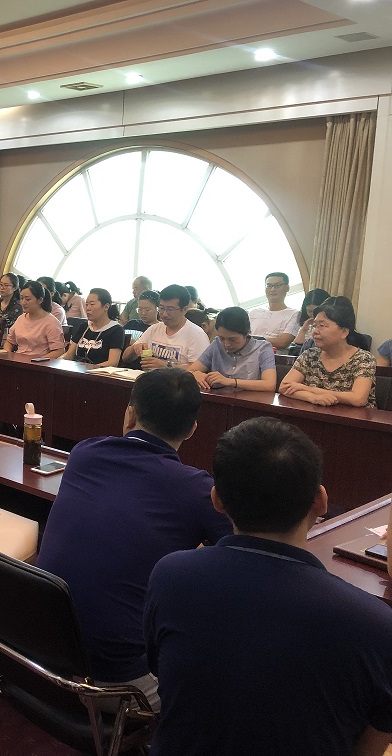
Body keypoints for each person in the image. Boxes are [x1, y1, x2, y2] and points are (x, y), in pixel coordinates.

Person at [144, 417, 392, 755]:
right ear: (320, 501)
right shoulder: (373, 624)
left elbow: (162, 672)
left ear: (216, 500)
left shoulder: (170, 576)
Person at [36, 369, 233, 710]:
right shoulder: (197, 489)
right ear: (192, 429)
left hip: (33, 651)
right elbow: (244, 550)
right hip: (117, 686)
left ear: (129, 414)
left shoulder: (84, 452)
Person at [279, 295, 376, 407]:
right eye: (314, 326)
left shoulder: (363, 359)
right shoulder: (310, 355)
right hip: (316, 414)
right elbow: (284, 387)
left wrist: (308, 389)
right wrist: (313, 397)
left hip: (354, 417)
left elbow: (358, 399)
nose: (315, 332)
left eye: (322, 326)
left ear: (344, 332)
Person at [189, 306, 277, 392]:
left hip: (250, 399)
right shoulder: (216, 344)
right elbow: (191, 370)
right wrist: (196, 374)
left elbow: (269, 384)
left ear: (247, 333)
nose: (226, 344)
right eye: (222, 338)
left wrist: (230, 382)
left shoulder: (263, 348)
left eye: (232, 339)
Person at [120, 284, 209, 369]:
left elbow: (198, 369)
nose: (164, 314)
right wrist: (135, 348)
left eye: (170, 309)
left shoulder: (197, 335)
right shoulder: (154, 329)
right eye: (161, 308)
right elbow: (125, 358)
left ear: (185, 309)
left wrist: (166, 366)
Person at [58, 287, 124, 367]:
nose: (88, 308)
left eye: (92, 304)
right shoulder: (84, 326)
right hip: (77, 370)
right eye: (86, 304)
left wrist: (89, 370)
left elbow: (113, 362)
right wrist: (58, 361)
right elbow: (69, 354)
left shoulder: (116, 330)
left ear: (106, 307)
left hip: (97, 373)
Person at [3, 280, 66, 359]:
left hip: (38, 363)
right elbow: (9, 342)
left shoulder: (51, 322)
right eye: (21, 298)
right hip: (18, 360)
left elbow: (59, 351)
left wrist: (38, 360)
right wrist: (8, 354)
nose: (23, 302)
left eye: (28, 299)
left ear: (40, 300)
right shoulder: (21, 318)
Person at [248, 272, 299, 350]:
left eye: (277, 285)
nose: (272, 289)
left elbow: (283, 342)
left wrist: (251, 340)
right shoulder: (254, 312)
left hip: (275, 356)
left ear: (287, 288)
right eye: (269, 286)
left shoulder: (294, 314)